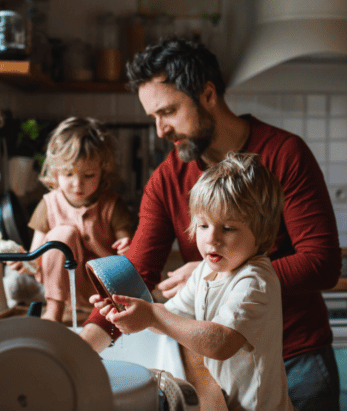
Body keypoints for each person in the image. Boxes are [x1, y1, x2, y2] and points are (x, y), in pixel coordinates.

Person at [80, 38, 342, 410]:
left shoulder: (284, 154)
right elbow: (135, 272)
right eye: (153, 116)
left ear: (207, 94)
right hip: (219, 370)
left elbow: (322, 262)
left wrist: (221, 274)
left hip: (296, 357)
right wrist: (80, 348)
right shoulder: (168, 178)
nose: (160, 130)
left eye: (168, 111)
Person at [104, 152, 295, 411]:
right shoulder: (206, 270)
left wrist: (153, 316)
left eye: (227, 228)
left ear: (261, 232)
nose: (212, 239)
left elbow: (220, 343)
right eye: (203, 225)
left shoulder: (253, 281)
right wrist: (131, 312)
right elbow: (171, 318)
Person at [10, 116, 134, 322]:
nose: (78, 184)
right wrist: (25, 260)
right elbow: (36, 257)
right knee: (62, 235)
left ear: (102, 172)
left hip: (105, 290)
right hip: (64, 292)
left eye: (89, 175)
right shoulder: (48, 204)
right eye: (69, 174)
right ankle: (54, 312)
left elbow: (129, 250)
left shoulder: (112, 205)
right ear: (55, 173)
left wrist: (127, 247)